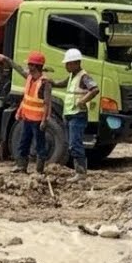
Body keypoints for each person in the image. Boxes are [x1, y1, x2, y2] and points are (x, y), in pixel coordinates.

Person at [48, 48, 100, 180]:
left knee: (75, 143)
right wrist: (51, 82)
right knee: (71, 144)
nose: (66, 66)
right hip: (70, 114)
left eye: (68, 63)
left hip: (78, 115)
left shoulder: (84, 76)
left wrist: (83, 101)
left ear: (76, 63)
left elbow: (94, 89)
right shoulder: (73, 76)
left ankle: (81, 172)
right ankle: (79, 171)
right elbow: (62, 83)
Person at [0, 51, 52, 174]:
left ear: (35, 66)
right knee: (24, 143)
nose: (28, 67)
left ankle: (39, 170)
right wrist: (6, 58)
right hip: (27, 118)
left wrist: (44, 120)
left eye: (30, 64)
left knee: (40, 145)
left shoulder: (45, 83)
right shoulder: (29, 77)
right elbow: (18, 69)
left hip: (38, 120)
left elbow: (47, 103)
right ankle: (21, 166)